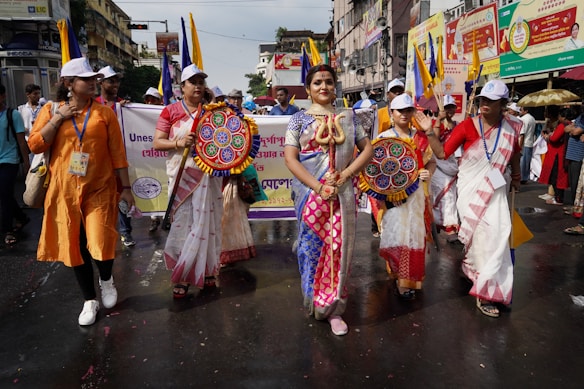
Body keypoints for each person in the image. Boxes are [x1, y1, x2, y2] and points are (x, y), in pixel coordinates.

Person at [27, 57, 134, 325]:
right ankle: (89, 300)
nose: (93, 83)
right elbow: (35, 145)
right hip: (63, 191)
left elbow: (118, 154)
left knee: (100, 240)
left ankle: (107, 279)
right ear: (68, 83)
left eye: (94, 78)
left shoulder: (104, 114)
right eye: (86, 79)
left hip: (99, 188)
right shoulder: (51, 110)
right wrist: (58, 119)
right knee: (74, 246)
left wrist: (127, 188)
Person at [284, 64, 373, 336]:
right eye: (317, 83)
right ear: (309, 89)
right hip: (311, 196)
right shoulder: (298, 120)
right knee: (311, 250)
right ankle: (314, 299)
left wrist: (345, 175)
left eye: (329, 82)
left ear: (335, 87)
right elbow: (291, 158)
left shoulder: (349, 117)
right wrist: (319, 187)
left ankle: (334, 308)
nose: (324, 87)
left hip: (342, 195)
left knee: (339, 250)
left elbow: (367, 150)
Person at [425, 79, 522, 318]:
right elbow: (441, 153)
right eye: (483, 100)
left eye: (491, 101)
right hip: (470, 191)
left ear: (503, 104)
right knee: (480, 240)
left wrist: (517, 177)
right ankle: (483, 288)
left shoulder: (511, 128)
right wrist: (429, 130)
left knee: (497, 236)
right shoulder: (467, 126)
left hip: (498, 190)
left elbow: (515, 155)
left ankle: (489, 289)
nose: (485, 104)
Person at [152, 64, 222, 298]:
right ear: (182, 87)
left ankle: (208, 271)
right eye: (193, 82)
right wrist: (178, 143)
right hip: (182, 178)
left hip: (208, 178)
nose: (199, 86)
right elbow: (157, 142)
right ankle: (182, 276)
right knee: (183, 226)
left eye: (202, 82)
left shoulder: (212, 113)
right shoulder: (170, 111)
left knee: (208, 224)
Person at [376, 94, 436, 299]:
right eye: (399, 110)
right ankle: (400, 276)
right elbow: (375, 173)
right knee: (396, 235)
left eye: (408, 110)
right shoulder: (383, 140)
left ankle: (408, 279)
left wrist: (428, 173)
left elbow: (433, 161)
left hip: (417, 197)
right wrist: (386, 196)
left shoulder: (419, 138)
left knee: (414, 237)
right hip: (394, 199)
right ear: (391, 113)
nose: (404, 114)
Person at [96, 65, 135, 247]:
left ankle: (126, 232)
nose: (115, 84)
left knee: (122, 195)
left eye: (117, 81)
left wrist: (130, 110)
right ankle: (102, 232)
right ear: (101, 83)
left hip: (119, 161)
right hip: (99, 163)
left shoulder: (124, 106)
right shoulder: (93, 104)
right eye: (111, 80)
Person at [0, 83, 31, 246]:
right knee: (4, 195)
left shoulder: (13, 115)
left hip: (9, 160)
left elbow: (21, 142)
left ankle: (7, 230)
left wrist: (27, 165)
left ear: (3, 96)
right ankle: (21, 217)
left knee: (5, 195)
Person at [431, 95, 460, 242]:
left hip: (453, 165)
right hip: (438, 164)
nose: (449, 110)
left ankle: (445, 223)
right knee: (443, 195)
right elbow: (434, 141)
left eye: (451, 107)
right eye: (446, 107)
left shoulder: (458, 124)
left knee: (452, 197)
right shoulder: (434, 124)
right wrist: (438, 120)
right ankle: (447, 227)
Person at [142, 87, 165, 231]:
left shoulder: (167, 112)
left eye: (153, 99)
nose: (150, 102)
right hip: (147, 159)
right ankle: (154, 218)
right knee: (150, 186)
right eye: (147, 99)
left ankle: (167, 215)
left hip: (163, 158)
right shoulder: (138, 112)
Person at [519, 105, 537, 184]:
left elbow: (522, 133)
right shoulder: (532, 118)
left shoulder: (523, 119)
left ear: (526, 111)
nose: (520, 111)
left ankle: (522, 177)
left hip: (525, 142)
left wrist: (520, 145)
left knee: (523, 161)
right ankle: (525, 177)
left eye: (521, 109)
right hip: (529, 142)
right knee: (527, 161)